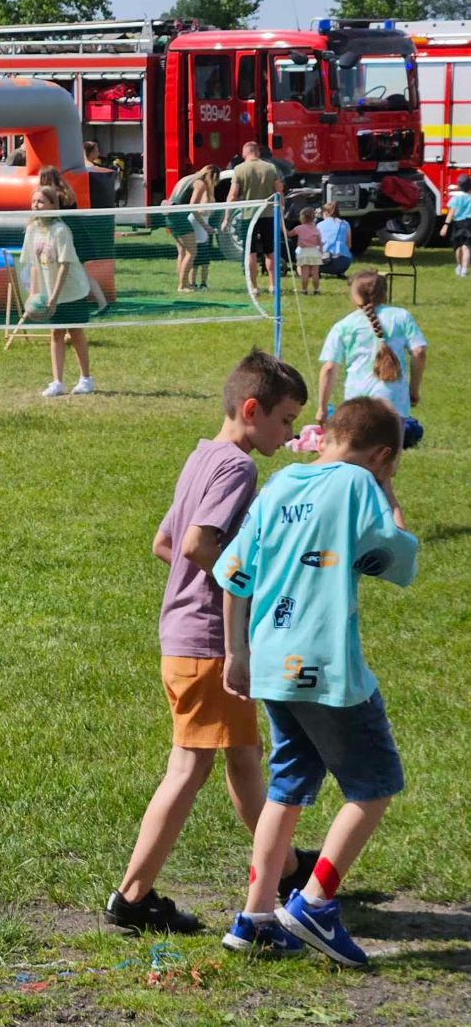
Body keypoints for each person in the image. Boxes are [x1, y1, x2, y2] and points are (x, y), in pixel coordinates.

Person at [105, 350, 315, 935]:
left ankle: (291, 868)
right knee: (188, 769)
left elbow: (163, 543)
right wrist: (255, 583)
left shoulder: (203, 455)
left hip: (186, 635)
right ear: (252, 410)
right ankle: (132, 896)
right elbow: (197, 545)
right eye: (285, 420)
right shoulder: (238, 469)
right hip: (209, 643)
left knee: (245, 762)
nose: (291, 432)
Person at [218, 397, 417, 964]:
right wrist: (387, 489)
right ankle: (315, 902)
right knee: (374, 785)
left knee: (288, 785)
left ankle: (255, 915)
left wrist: (238, 653)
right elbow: (398, 554)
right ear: (380, 456)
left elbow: (233, 573)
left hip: (273, 665)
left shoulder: (279, 484)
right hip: (329, 673)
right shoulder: (360, 485)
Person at [315, 271, 427, 428]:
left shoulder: (344, 325)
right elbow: (419, 352)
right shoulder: (402, 316)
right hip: (395, 398)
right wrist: (413, 389)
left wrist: (322, 407)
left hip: (357, 398)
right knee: (391, 450)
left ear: (354, 296)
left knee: (359, 449)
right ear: (385, 294)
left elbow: (328, 368)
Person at [21, 187, 94, 397]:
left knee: (75, 332)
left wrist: (54, 298)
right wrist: (34, 294)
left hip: (70, 291)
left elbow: (65, 266)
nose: (36, 205)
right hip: (47, 292)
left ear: (53, 204)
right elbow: (34, 264)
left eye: (41, 201)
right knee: (56, 333)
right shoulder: (32, 229)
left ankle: (86, 379)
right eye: (34, 201)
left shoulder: (61, 230)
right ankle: (57, 382)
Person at [37, 164, 108, 311]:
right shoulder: (68, 192)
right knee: (80, 270)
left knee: (78, 272)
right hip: (78, 234)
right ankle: (99, 302)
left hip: (69, 237)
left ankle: (99, 303)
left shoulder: (54, 197)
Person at [222, 143, 285, 292]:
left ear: (245, 153)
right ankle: (273, 285)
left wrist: (226, 218)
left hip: (248, 216)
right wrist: (281, 212)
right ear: (257, 152)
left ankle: (254, 287)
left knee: (250, 252)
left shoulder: (239, 169)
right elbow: (279, 192)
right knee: (270, 251)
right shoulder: (270, 168)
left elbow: (232, 195)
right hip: (268, 214)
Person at [166, 164, 220, 292]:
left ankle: (183, 283)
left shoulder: (186, 179)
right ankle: (183, 285)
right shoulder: (199, 183)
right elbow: (193, 206)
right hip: (180, 217)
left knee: (182, 253)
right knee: (192, 252)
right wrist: (205, 226)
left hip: (170, 216)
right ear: (210, 175)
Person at [439, 174, 471, 276]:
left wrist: (446, 225)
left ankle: (459, 266)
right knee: (467, 247)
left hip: (458, 224)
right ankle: (465, 270)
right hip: (469, 223)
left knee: (457, 247)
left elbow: (451, 212)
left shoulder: (455, 199)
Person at [289, 208, 323, 295]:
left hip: (303, 252)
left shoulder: (299, 228)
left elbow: (289, 234)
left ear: (302, 218)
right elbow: (320, 242)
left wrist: (282, 228)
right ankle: (317, 289)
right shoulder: (316, 229)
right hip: (314, 252)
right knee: (315, 273)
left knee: (305, 273)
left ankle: (304, 290)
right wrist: (321, 252)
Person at [317, 202, 352, 279]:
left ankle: (317, 271)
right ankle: (340, 273)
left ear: (325, 213)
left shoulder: (319, 225)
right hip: (342, 264)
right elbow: (349, 245)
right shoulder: (345, 224)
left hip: (322, 262)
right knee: (347, 253)